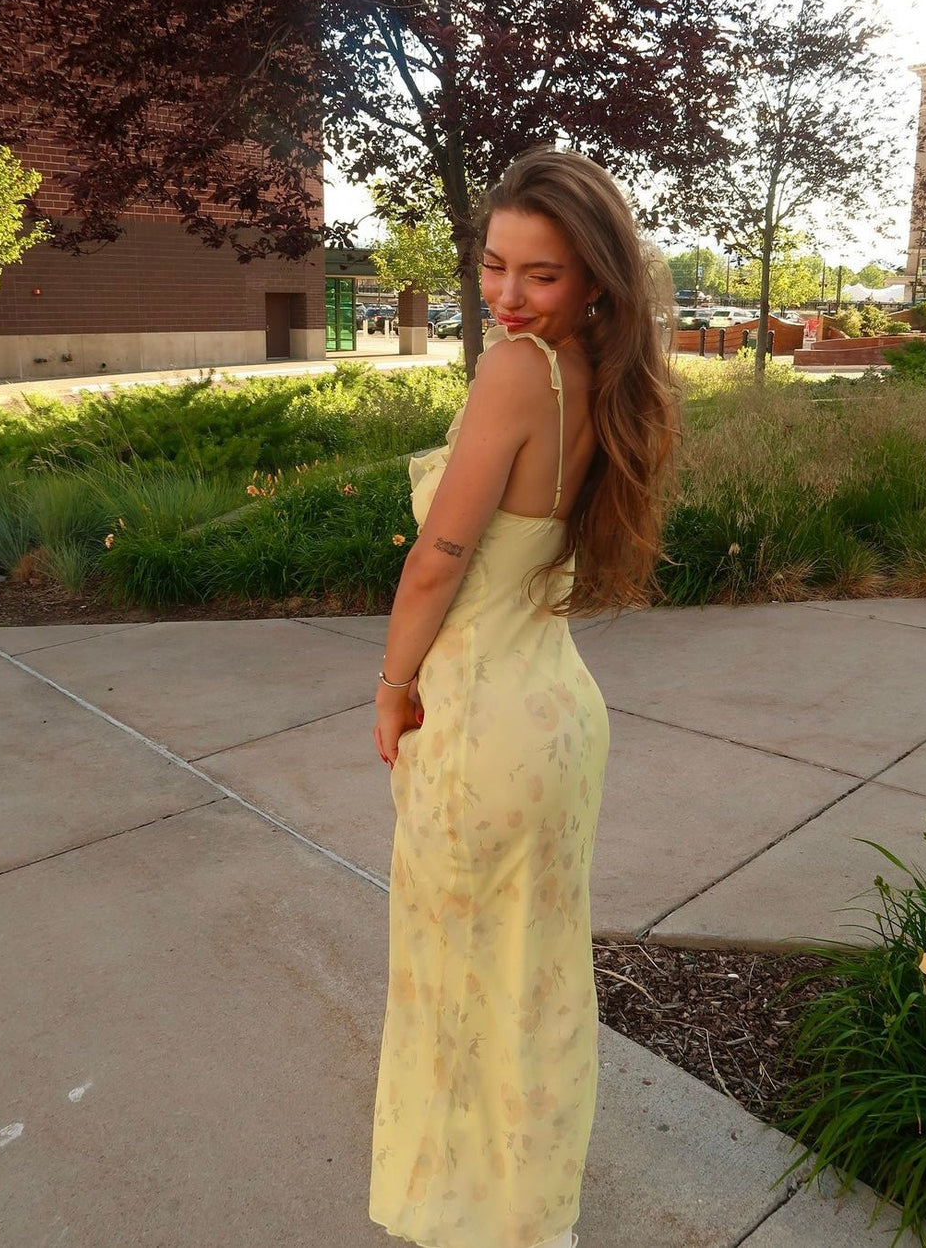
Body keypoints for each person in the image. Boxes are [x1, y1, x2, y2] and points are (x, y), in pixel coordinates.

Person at [370, 147, 679, 1248]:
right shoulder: (607, 371)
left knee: (461, 991)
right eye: (494, 267)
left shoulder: (516, 374)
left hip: (484, 723)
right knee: (536, 987)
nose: (506, 296)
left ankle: (468, 1221)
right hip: (558, 715)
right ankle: (532, 1219)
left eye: (538, 275)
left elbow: (438, 560)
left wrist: (392, 687)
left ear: (595, 277)